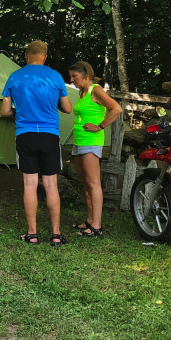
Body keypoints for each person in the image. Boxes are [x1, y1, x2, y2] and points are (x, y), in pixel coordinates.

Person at [0, 41, 73, 246]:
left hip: (25, 134)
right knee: (51, 184)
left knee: (29, 184)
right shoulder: (55, 76)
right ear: (45, 56)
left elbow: (5, 111)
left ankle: (32, 234)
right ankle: (56, 235)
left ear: (25, 56)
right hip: (50, 135)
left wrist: (19, 112)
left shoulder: (15, 77)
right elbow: (67, 108)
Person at [67, 61, 123, 238]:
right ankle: (90, 220)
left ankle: (96, 226)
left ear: (86, 75)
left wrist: (100, 126)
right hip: (80, 141)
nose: (72, 80)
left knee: (93, 183)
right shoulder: (82, 93)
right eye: (71, 77)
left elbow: (116, 109)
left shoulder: (95, 90)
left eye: (74, 76)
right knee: (85, 183)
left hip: (91, 142)